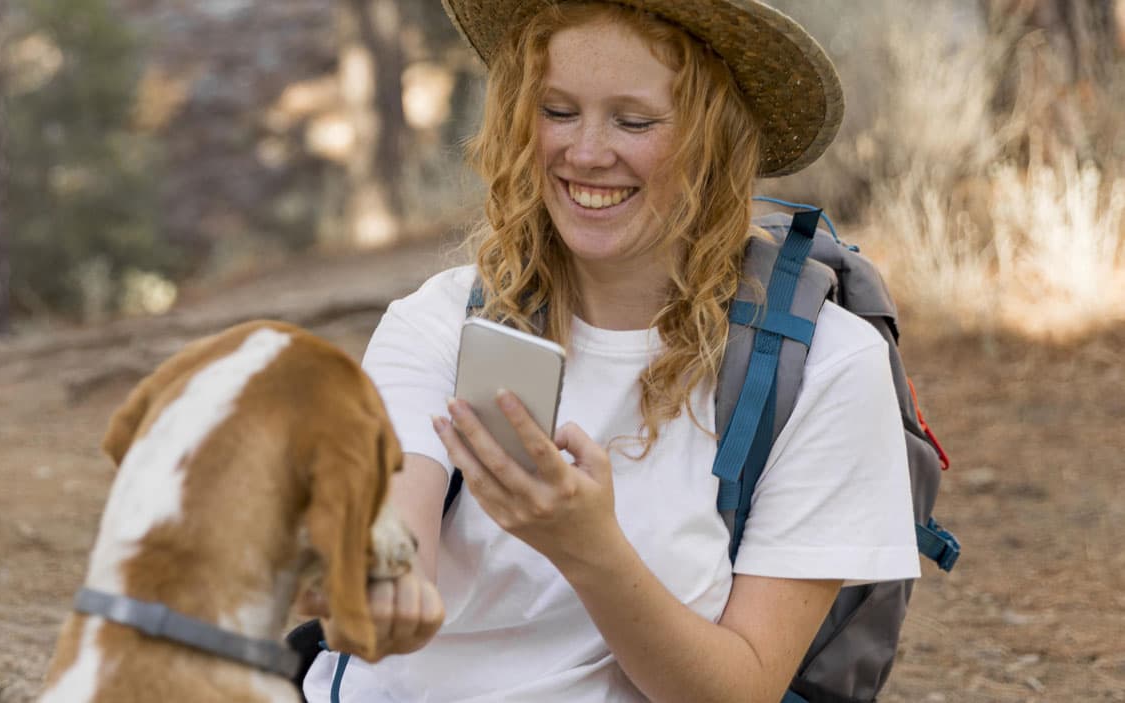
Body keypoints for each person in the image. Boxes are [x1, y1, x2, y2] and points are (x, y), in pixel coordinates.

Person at [300, 1, 920, 701]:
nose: (587, 152)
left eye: (634, 121)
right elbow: (392, 532)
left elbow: (739, 688)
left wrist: (586, 549)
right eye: (557, 111)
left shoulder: (824, 368)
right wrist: (369, 578)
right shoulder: (441, 322)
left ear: (715, 139)